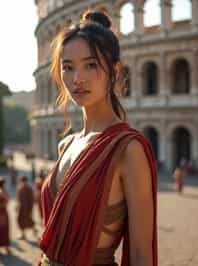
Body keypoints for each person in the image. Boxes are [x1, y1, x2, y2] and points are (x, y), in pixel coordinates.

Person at [38, 10, 158, 266]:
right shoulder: (66, 144)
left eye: (90, 65)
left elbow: (141, 254)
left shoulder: (128, 148)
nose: (77, 78)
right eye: (68, 68)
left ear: (115, 71)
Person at [16, 176, 37, 240]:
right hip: (21, 208)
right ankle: (23, 234)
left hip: (27, 208)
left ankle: (34, 230)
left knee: (29, 220)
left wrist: (31, 209)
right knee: (20, 221)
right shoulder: (19, 188)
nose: (23, 183)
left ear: (26, 181)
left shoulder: (29, 189)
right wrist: (17, 206)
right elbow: (18, 198)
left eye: (24, 181)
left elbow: (32, 199)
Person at [0, 176, 11, 254]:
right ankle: (6, 247)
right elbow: (7, 201)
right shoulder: (4, 192)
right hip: (3, 212)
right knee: (4, 230)